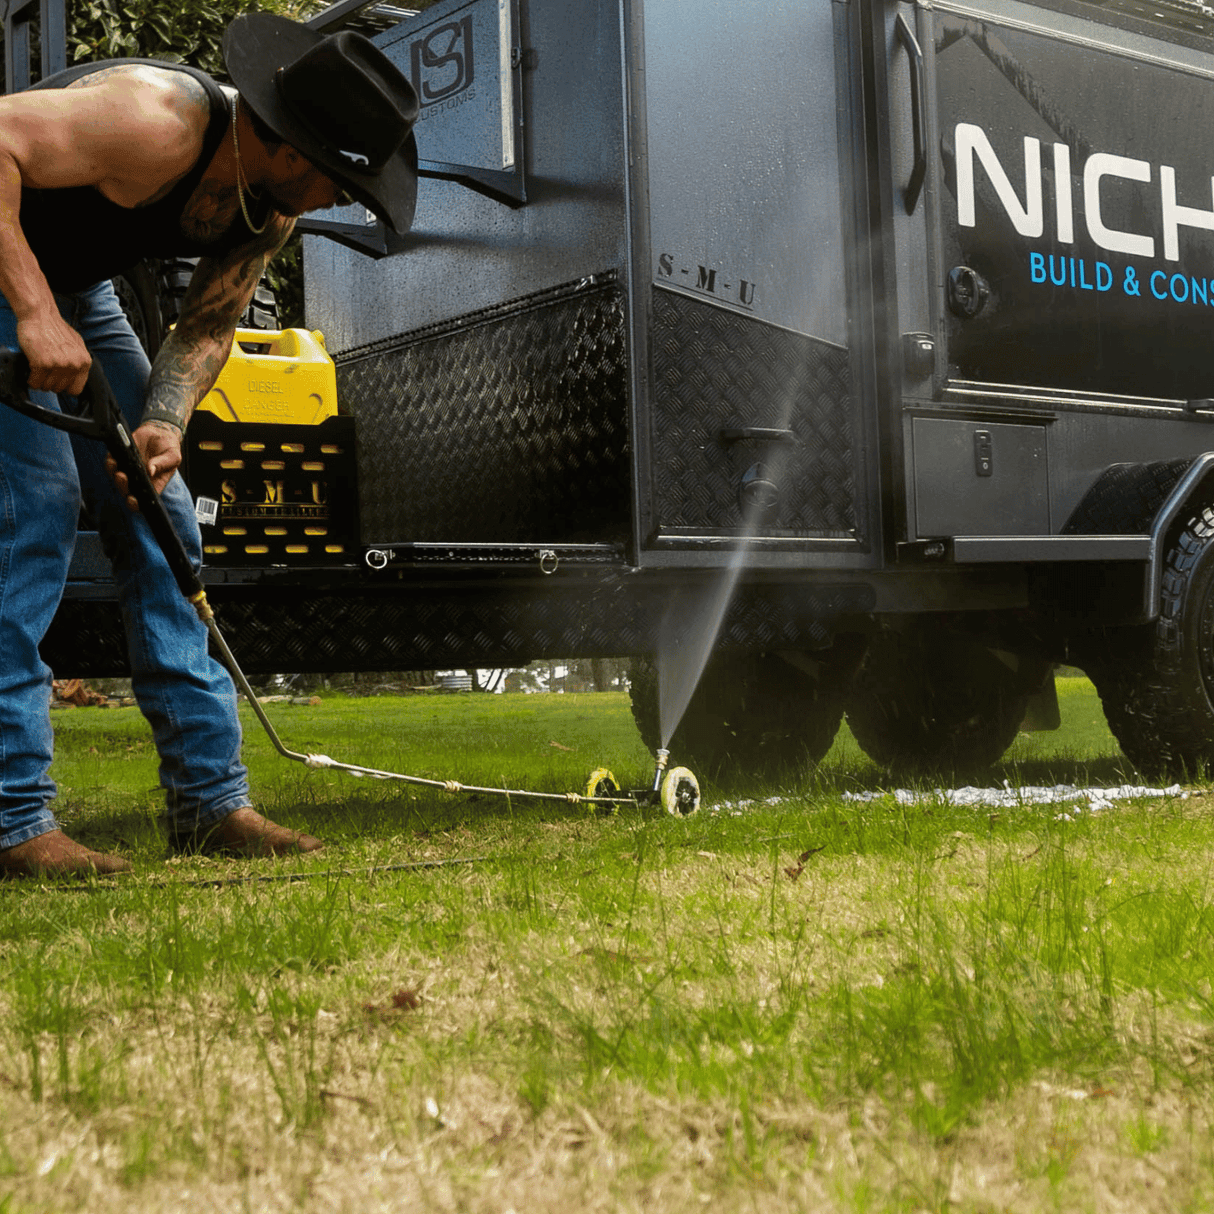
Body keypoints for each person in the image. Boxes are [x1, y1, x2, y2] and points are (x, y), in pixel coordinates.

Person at [0, 14, 420, 876]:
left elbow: (206, 326)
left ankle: (209, 802)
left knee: (164, 519)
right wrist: (34, 312)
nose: (343, 198)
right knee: (33, 508)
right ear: (291, 148)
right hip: (13, 272)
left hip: (76, 288)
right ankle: (11, 818)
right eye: (341, 178)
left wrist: (165, 421)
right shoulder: (153, 119)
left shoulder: (270, 211)